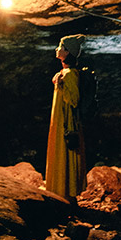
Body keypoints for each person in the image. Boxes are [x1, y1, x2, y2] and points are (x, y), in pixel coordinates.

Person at [45, 34, 87, 202]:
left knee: (65, 155)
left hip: (66, 122)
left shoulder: (70, 74)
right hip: (61, 120)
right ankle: (62, 191)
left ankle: (65, 193)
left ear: (68, 52)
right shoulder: (64, 73)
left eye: (61, 47)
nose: (57, 49)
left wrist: (62, 82)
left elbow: (74, 100)